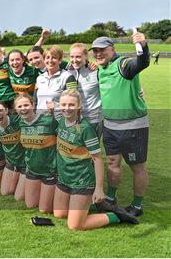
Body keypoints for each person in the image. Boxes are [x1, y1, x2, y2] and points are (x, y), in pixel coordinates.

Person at [53, 90, 139, 230]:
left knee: (75, 225)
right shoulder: (61, 121)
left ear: (79, 106)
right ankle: (89, 206)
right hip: (64, 178)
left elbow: (98, 159)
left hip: (82, 181)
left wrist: (99, 189)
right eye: (63, 104)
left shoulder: (86, 129)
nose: (67, 108)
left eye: (71, 105)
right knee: (59, 214)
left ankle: (116, 215)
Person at [92, 34, 151, 217]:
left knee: (137, 167)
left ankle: (137, 205)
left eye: (102, 49)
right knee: (112, 162)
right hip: (110, 126)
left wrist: (143, 45)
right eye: (95, 51)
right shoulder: (100, 69)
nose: (99, 53)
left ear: (112, 50)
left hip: (132, 126)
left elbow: (141, 63)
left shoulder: (123, 65)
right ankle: (110, 198)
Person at [15, 94, 57, 213]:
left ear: (33, 105)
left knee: (44, 210)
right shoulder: (20, 123)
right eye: (20, 106)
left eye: (26, 105)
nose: (23, 108)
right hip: (32, 169)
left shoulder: (48, 121)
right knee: (30, 205)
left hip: (50, 169)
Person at [0, 102, 25, 201]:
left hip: (25, 163)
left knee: (18, 198)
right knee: (5, 192)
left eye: (1, 110)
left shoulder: (18, 120)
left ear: (6, 111)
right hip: (11, 162)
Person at [67, 43, 102, 135]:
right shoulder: (67, 71)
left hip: (93, 119)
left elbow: (111, 87)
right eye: (72, 56)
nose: (74, 60)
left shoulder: (96, 72)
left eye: (78, 57)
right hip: (73, 118)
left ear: (86, 56)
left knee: (91, 148)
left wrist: (137, 91)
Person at [34, 46, 77, 118]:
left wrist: (56, 106)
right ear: (44, 60)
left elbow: (74, 101)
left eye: (54, 57)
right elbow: (35, 101)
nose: (50, 60)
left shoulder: (69, 77)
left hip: (59, 121)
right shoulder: (39, 78)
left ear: (60, 60)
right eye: (47, 58)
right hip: (40, 121)